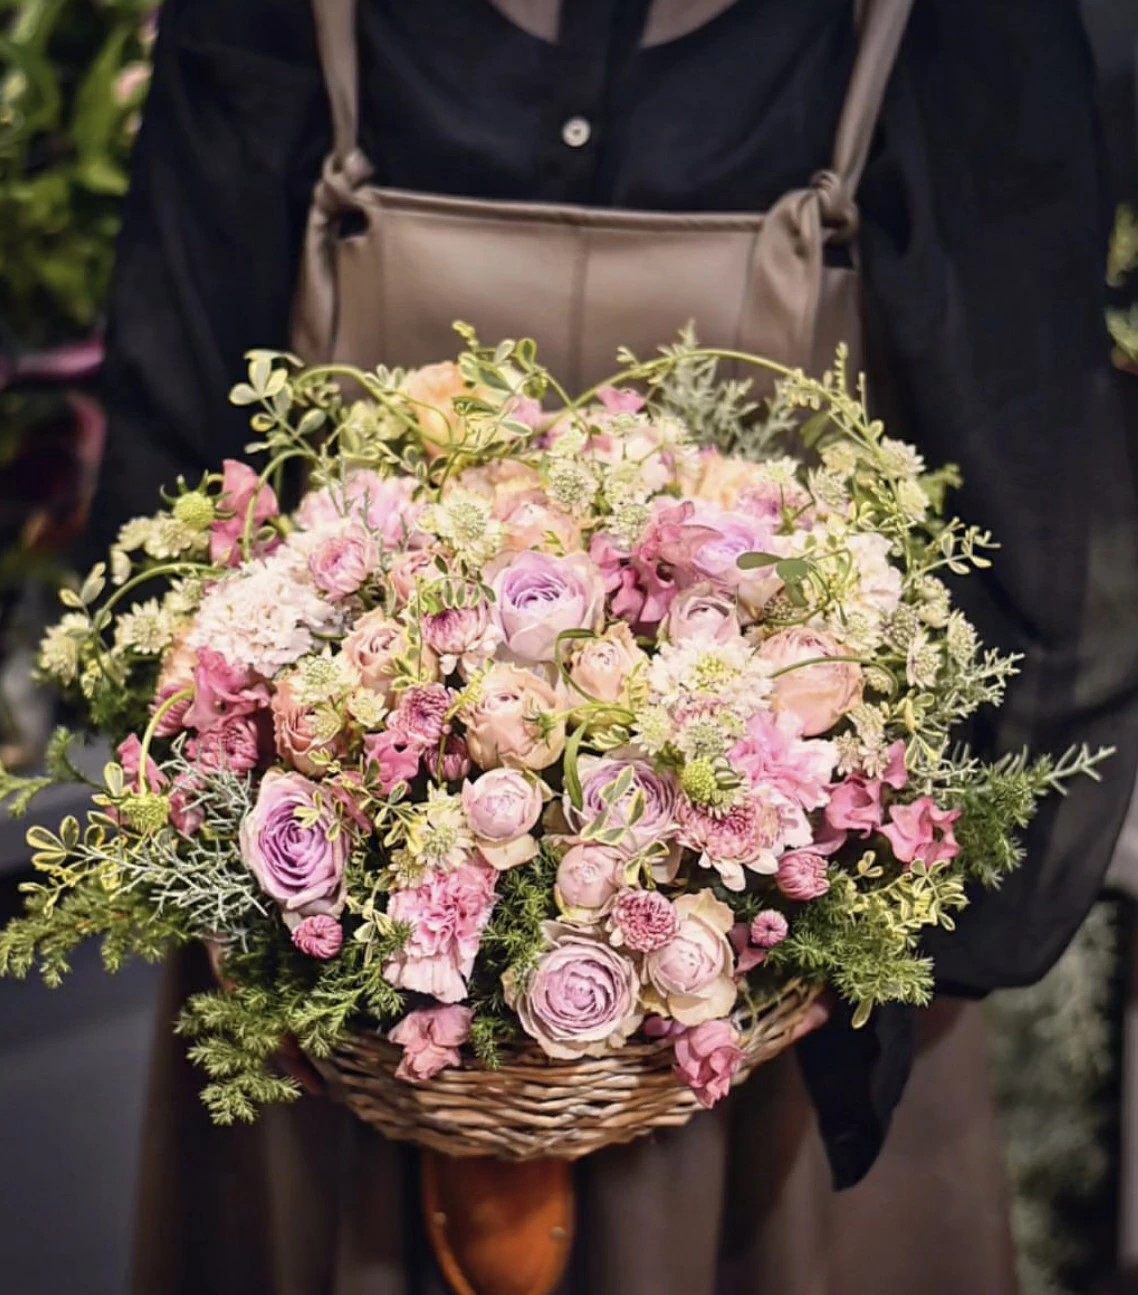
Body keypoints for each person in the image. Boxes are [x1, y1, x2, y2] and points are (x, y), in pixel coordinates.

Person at [98, 2, 1138, 1292]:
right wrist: (262, 856)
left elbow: (1040, 490)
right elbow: (174, 423)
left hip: (779, 998)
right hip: (328, 977)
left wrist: (847, 919)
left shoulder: (954, 28)